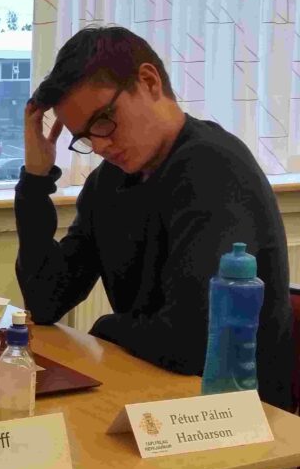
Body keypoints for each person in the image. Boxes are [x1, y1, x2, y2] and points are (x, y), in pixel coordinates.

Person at [16, 25, 296, 413]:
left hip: (235, 414)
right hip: (153, 390)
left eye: (104, 120)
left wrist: (104, 328)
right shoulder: (109, 182)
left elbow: (188, 344)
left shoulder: (213, 169)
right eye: (85, 136)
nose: (100, 145)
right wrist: (35, 179)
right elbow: (46, 299)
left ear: (149, 82)